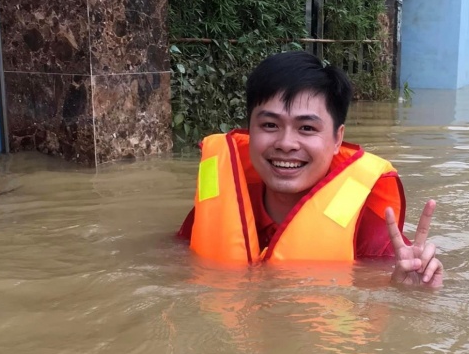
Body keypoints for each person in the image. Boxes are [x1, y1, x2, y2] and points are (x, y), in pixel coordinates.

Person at [178, 51, 443, 287]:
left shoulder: (371, 234)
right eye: (270, 125)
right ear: (249, 131)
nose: (286, 144)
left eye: (307, 128)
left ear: (338, 139)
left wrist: (407, 289)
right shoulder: (224, 202)